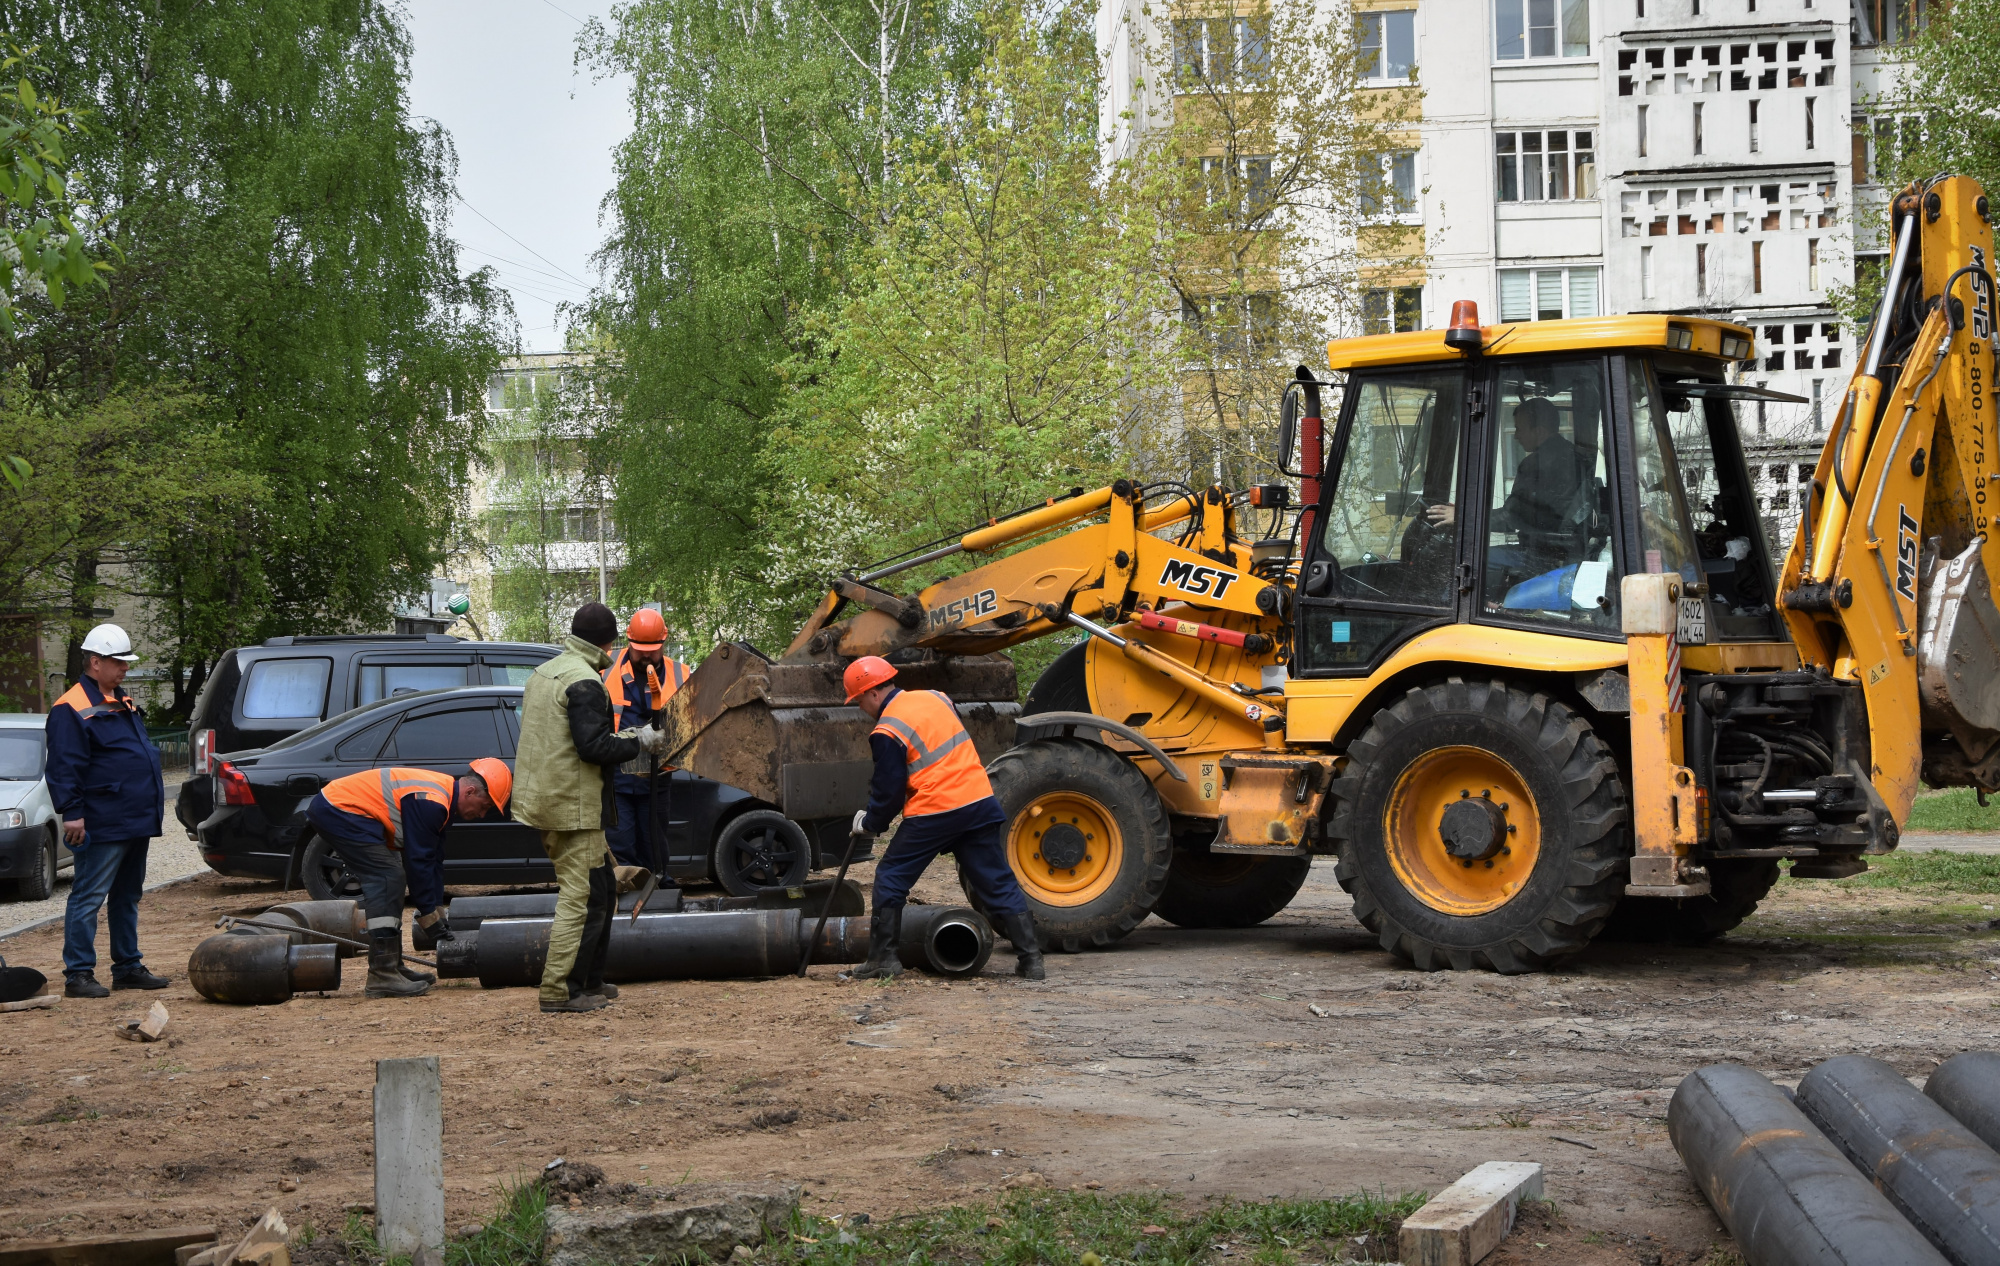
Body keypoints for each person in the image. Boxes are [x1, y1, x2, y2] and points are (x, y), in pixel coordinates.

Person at [844, 655, 1044, 982]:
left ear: (873, 693)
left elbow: (888, 788)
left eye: (858, 700)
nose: (860, 707)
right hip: (978, 801)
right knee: (997, 882)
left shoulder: (887, 729)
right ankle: (1032, 960)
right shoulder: (937, 697)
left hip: (936, 810)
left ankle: (883, 959)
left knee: (891, 874)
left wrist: (871, 823)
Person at [513, 602, 669, 1014]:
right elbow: (594, 746)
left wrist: (630, 733)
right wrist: (641, 741)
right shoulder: (585, 681)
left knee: (602, 889)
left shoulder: (547, 671)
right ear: (611, 641)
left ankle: (590, 980)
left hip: (554, 799)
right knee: (580, 897)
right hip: (572, 808)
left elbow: (571, 739)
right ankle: (561, 990)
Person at [305, 758, 512, 998]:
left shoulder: (442, 800)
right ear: (470, 791)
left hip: (345, 810)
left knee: (390, 875)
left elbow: (433, 859)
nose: (482, 814)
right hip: (338, 809)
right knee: (387, 878)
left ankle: (392, 966)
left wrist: (436, 911)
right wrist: (427, 916)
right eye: (484, 806)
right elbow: (418, 861)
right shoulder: (432, 802)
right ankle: (382, 974)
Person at [46, 624, 168, 999]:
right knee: (88, 895)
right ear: (95, 662)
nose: (125, 669)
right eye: (119, 662)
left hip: (134, 817)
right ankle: (78, 974)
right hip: (102, 818)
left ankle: (127, 966)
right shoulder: (71, 707)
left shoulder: (122, 700)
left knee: (127, 895)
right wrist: (72, 813)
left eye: (126, 663)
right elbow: (65, 765)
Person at [602, 609, 689, 870]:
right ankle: (626, 888)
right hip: (618, 775)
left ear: (663, 642)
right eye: (640, 649)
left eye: (653, 648)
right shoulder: (606, 667)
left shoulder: (681, 674)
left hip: (658, 776)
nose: (647, 655)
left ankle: (659, 884)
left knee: (655, 841)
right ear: (629, 641)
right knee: (621, 841)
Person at [1425, 397, 1581, 535]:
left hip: (1537, 552)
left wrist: (1463, 517)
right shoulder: (1572, 454)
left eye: (1519, 429)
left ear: (1539, 432)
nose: (1516, 436)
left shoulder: (1536, 464)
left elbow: (1511, 519)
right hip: (1556, 545)